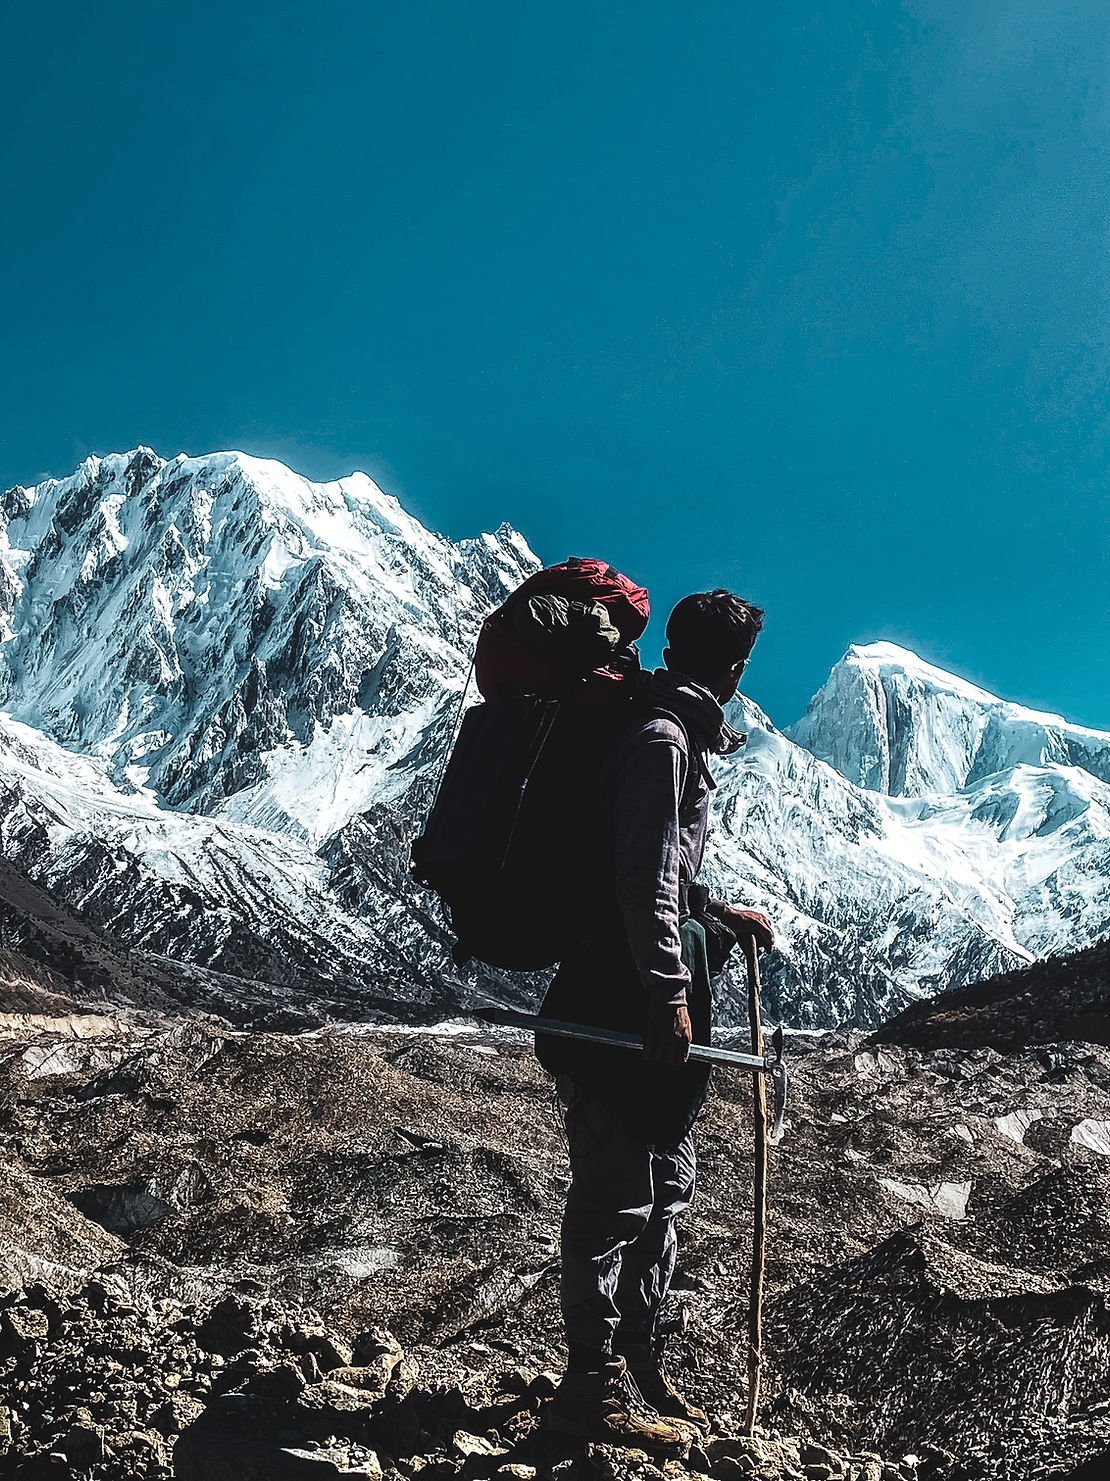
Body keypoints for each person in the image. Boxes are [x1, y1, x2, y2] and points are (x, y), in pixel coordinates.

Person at [535, 589, 775, 1449]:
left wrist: (716, 908)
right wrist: (669, 987)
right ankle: (588, 1386)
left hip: (638, 998)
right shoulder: (663, 739)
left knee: (664, 1190)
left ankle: (636, 1357)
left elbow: (661, 864)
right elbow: (639, 875)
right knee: (614, 1199)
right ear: (738, 668)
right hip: (620, 1003)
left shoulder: (669, 732)